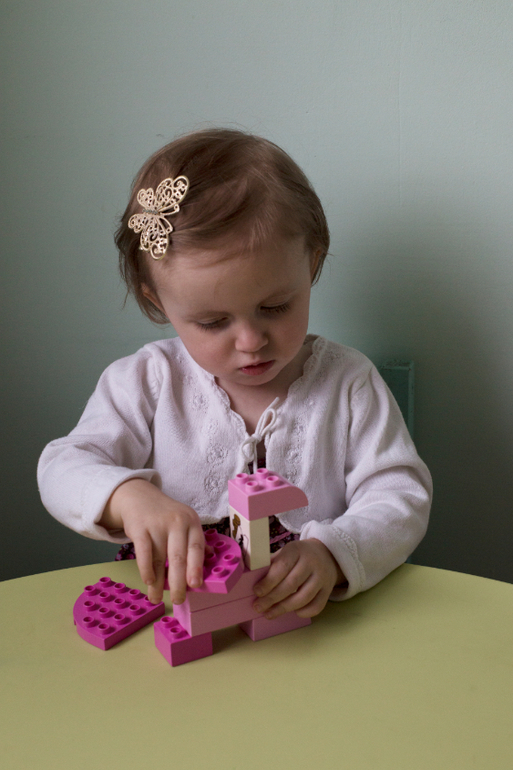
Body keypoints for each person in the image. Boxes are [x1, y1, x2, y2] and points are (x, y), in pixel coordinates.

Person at [38, 128, 432, 622]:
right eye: (212, 322)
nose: (250, 341)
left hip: (305, 621)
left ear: (311, 264)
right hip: (179, 612)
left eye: (275, 306)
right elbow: (62, 467)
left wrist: (332, 555)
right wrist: (127, 497)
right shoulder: (147, 381)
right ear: (160, 302)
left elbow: (399, 496)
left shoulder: (348, 382)